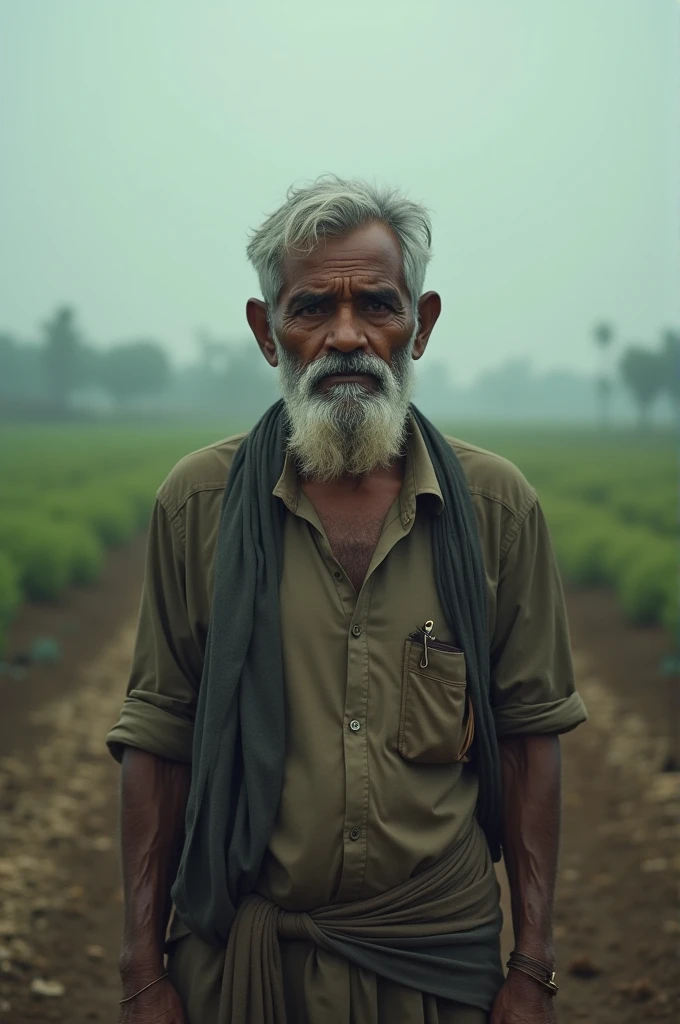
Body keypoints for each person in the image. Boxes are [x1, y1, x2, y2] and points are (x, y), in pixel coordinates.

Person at [107, 175, 587, 1024]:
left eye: (377, 303)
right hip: (245, 971)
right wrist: (145, 974)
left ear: (422, 322)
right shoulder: (198, 504)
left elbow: (528, 738)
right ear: (266, 333)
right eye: (308, 311)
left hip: (439, 968)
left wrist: (533, 967)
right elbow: (160, 738)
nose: (347, 337)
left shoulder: (497, 507)